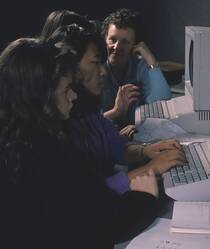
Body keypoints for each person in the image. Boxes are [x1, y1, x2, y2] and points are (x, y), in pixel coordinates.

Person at [0, 37, 160, 249]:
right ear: (41, 98)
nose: (73, 95)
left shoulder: (21, 140)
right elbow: (91, 228)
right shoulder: (41, 152)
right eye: (66, 89)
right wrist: (146, 198)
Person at [47, 24, 186, 195]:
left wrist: (145, 151)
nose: (102, 72)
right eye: (95, 62)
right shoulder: (60, 125)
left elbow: (115, 145)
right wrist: (150, 169)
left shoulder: (89, 109)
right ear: (71, 67)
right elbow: (90, 195)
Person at [101, 8, 172, 128]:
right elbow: (87, 125)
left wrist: (151, 60)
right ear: (104, 39)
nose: (117, 47)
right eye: (112, 40)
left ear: (135, 45)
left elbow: (162, 103)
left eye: (125, 42)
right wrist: (116, 111)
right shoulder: (95, 68)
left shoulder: (139, 66)